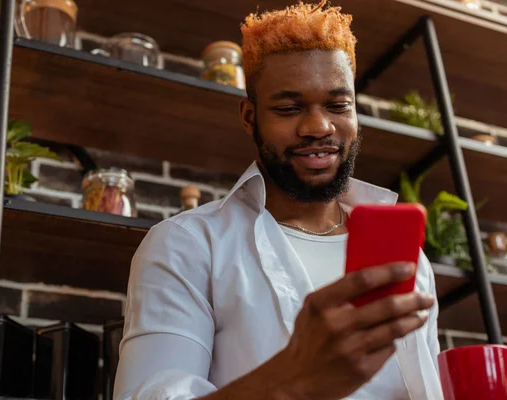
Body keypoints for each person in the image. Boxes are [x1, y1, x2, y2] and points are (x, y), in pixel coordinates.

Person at [113, 2, 443, 399]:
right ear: (250, 117)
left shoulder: (410, 261)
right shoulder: (186, 245)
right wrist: (296, 377)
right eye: (289, 108)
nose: (318, 127)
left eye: (339, 105)